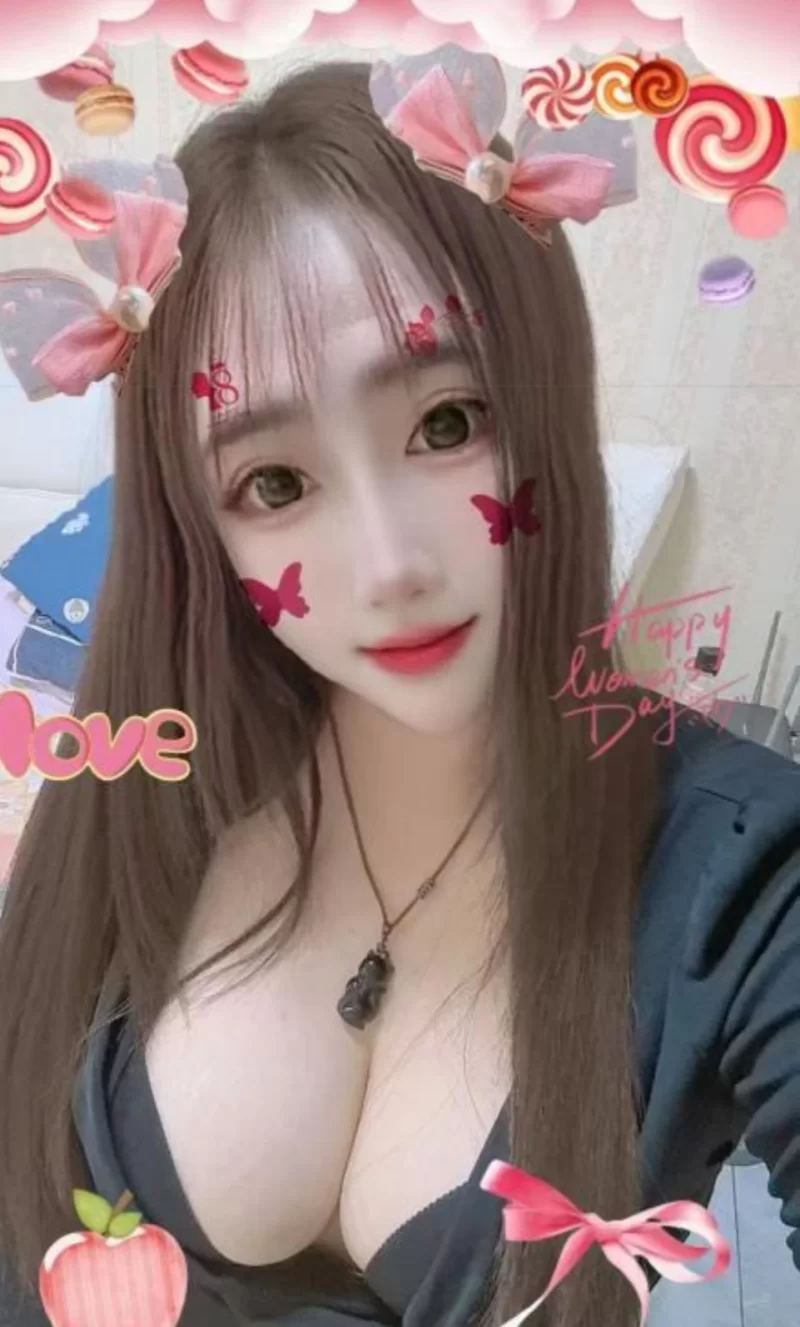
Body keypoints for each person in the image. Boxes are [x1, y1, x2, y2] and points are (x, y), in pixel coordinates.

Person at [0, 48, 798, 1327]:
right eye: (274, 482)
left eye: (445, 423)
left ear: (539, 396)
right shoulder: (151, 775)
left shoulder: (739, 877)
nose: (386, 567)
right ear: (200, 527)